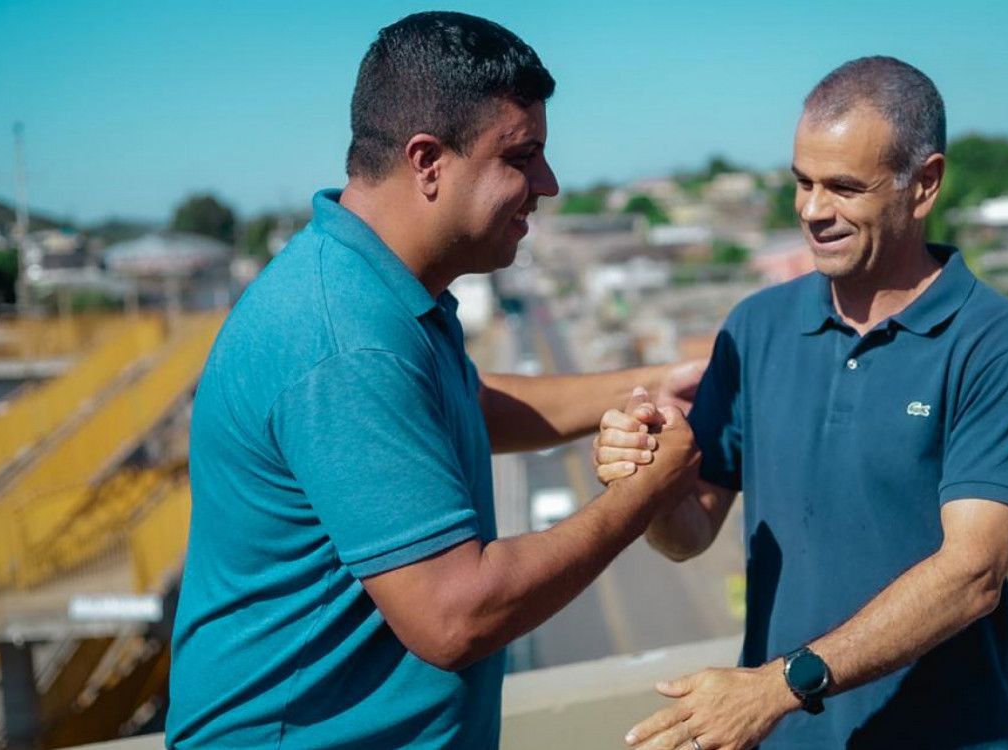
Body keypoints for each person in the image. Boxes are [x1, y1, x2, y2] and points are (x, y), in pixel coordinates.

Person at [166, 12, 702, 750]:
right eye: (522, 156)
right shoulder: (344, 338)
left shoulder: (378, 287)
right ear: (428, 161)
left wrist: (653, 381)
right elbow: (457, 617)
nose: (546, 184)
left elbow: (467, 407)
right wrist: (644, 495)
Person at [595, 56, 1008, 750]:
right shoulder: (755, 327)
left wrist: (777, 688)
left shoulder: (998, 344)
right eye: (802, 183)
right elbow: (687, 536)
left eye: (844, 187)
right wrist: (648, 477)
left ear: (923, 184)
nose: (813, 210)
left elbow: (974, 576)